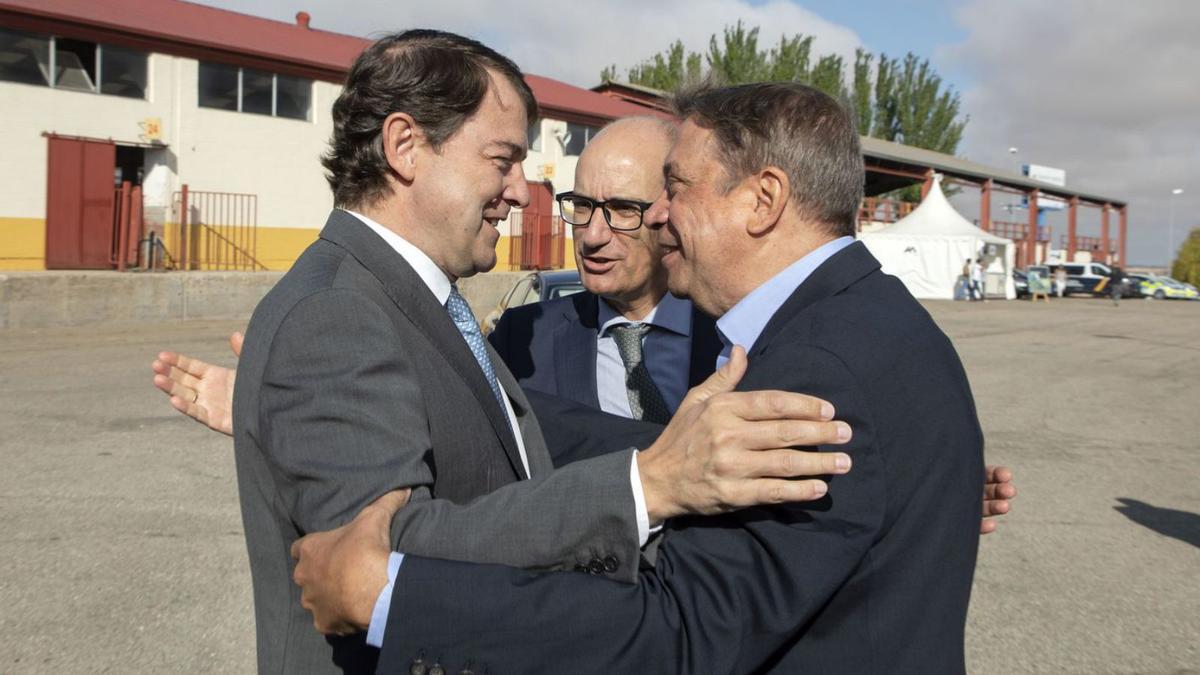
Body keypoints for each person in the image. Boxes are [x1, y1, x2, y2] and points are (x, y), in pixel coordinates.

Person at [205, 30, 853, 675]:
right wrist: (649, 482)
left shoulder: (414, 304)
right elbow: (379, 566)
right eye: (501, 159)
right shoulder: (337, 314)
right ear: (405, 146)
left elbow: (526, 448)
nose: (522, 189)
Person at [291, 82, 991, 674]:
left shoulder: (818, 369)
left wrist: (388, 594)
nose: (657, 215)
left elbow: (680, 630)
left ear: (762, 199)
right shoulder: (873, 319)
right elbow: (651, 445)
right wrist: (411, 402)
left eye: (676, 188)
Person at [488, 117, 722, 425]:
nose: (593, 235)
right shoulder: (522, 339)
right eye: (582, 205)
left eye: (623, 209)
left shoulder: (733, 333)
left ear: (668, 213)